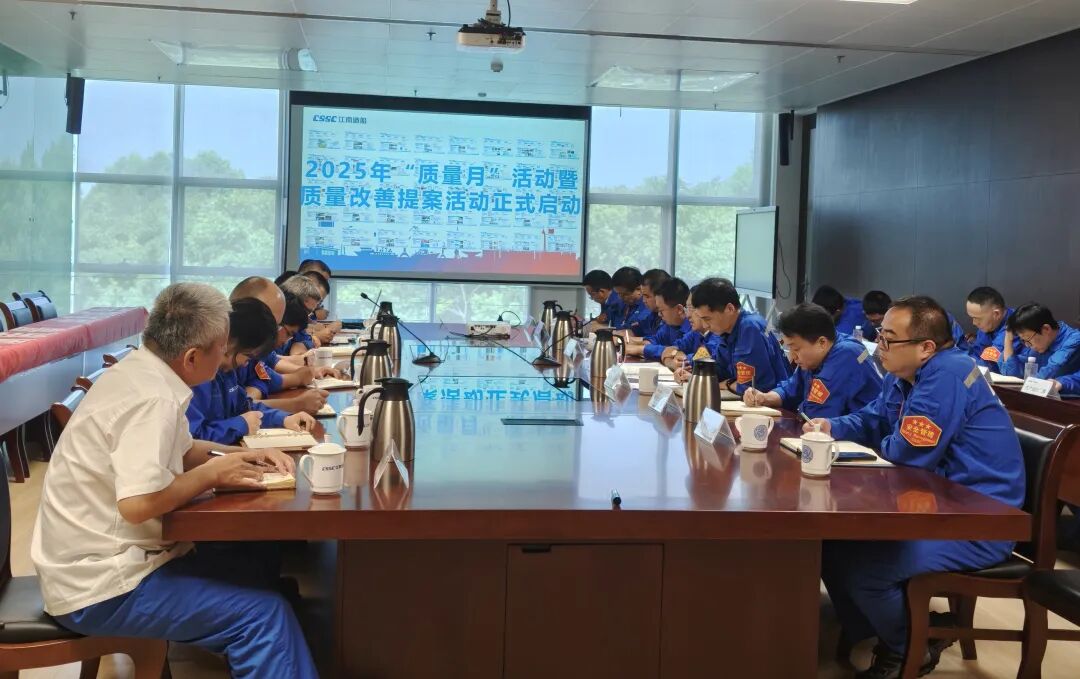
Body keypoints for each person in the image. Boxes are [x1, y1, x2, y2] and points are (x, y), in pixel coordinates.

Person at [31, 283, 318, 678]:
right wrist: (211, 473)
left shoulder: (144, 372)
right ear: (192, 356)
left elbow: (184, 450)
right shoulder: (153, 399)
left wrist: (240, 455)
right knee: (263, 617)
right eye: (222, 348)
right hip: (102, 587)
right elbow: (138, 505)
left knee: (254, 568)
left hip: (97, 566)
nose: (226, 358)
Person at [804, 296, 1024, 679]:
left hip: (979, 520)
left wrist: (882, 443)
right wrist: (831, 426)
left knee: (866, 569)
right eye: (880, 335)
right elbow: (874, 417)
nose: (879, 346)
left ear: (925, 348)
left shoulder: (948, 373)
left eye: (889, 339)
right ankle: (884, 629)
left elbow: (908, 452)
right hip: (934, 505)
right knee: (833, 546)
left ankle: (910, 648)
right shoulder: (902, 374)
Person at [186, 298, 317, 445]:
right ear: (228, 342)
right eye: (247, 357)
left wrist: (284, 419)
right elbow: (192, 438)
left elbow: (245, 407)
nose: (245, 364)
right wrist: (241, 424)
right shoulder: (197, 376)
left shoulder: (228, 371)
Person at [743, 303, 881, 418]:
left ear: (822, 343)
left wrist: (799, 408)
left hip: (862, 439)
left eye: (796, 349)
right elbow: (791, 389)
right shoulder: (816, 356)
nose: (793, 356)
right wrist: (764, 398)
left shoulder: (847, 354)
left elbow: (817, 413)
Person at [227, 278, 333, 415]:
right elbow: (234, 410)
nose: (273, 333)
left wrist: (253, 392)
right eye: (271, 324)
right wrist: (295, 403)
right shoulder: (221, 357)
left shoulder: (251, 350)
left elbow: (261, 376)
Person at [691, 279, 789, 395]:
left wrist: (726, 384)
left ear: (730, 309)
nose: (705, 325)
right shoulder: (726, 331)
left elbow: (754, 386)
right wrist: (695, 377)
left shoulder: (750, 328)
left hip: (774, 403)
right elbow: (720, 370)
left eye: (707, 319)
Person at [1001, 302, 1080, 379]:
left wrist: (1030, 383)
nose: (1027, 345)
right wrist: (1008, 339)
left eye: (1027, 339)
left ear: (1046, 329)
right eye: (1023, 340)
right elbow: (1011, 374)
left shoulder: (1074, 339)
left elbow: (1047, 372)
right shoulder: (1037, 342)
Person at [626, 277, 691, 360]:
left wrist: (640, 349)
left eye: (661, 310)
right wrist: (631, 343)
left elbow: (676, 352)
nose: (659, 315)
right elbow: (655, 340)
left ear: (679, 309)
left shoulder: (694, 328)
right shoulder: (669, 325)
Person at [965, 286, 1020, 372]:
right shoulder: (989, 325)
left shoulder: (1016, 325)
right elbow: (977, 352)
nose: (974, 323)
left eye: (977, 318)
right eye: (972, 318)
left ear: (996, 314)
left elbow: (988, 365)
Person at [279, 275, 324, 355]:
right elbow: (270, 360)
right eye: (305, 311)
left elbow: (305, 339)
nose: (307, 318)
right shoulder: (270, 327)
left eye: (309, 313)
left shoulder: (295, 324)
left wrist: (302, 344)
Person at [611, 266, 653, 336]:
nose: (621, 298)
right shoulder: (620, 304)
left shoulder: (648, 306)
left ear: (639, 289)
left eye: (625, 294)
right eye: (618, 293)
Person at [637, 268, 670, 338]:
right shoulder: (653, 314)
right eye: (643, 296)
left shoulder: (671, 318)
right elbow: (636, 330)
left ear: (660, 294)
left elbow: (657, 340)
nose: (643, 300)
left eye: (647, 296)